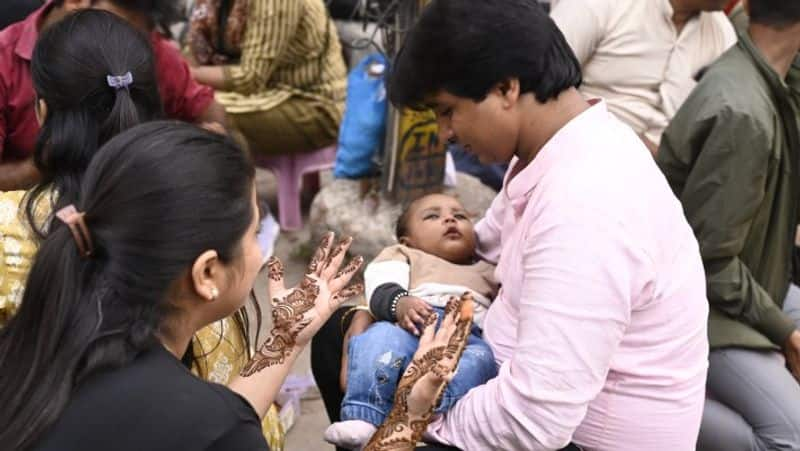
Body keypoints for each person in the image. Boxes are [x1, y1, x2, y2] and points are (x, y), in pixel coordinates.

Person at [314, 1, 710, 449]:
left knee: (369, 389)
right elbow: (476, 246)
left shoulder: (587, 206)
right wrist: (383, 303)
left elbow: (535, 421)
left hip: (574, 437)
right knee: (344, 332)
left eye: (447, 111)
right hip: (525, 384)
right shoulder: (555, 148)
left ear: (505, 88)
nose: (444, 133)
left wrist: (407, 419)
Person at [0, 120, 466, 451]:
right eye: (254, 234)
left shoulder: (32, 345)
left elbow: (210, 420)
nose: (263, 253)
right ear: (206, 274)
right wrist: (407, 415)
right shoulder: (206, 425)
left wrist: (285, 341)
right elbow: (211, 428)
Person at [656, 0, 800, 448]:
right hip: (702, 306)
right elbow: (712, 262)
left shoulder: (770, 69)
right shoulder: (743, 114)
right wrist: (785, 333)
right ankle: (629, 400)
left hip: (756, 280)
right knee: (790, 439)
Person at [324, 193, 499, 450]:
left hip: (463, 339)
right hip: (409, 328)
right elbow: (381, 283)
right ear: (409, 240)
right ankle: (364, 416)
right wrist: (400, 303)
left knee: (483, 358)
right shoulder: (403, 254)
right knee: (377, 338)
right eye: (432, 216)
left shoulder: (488, 269)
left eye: (460, 216)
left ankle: (433, 408)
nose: (450, 218)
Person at [0, 0, 226, 191]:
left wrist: (189, 141)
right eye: (111, 29)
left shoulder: (146, 49)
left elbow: (210, 114)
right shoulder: (4, 61)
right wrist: (48, 160)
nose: (120, 50)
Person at [550, 0, 736, 154]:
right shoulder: (600, 5)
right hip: (577, 150)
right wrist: (614, 139)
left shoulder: (722, 33)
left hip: (662, 180)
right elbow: (540, 84)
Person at [186, 0, 347, 156]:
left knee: (208, 117)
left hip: (310, 105)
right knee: (185, 106)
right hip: (260, 93)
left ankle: (239, 181)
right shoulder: (211, 5)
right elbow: (194, 53)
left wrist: (185, 73)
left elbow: (250, 78)